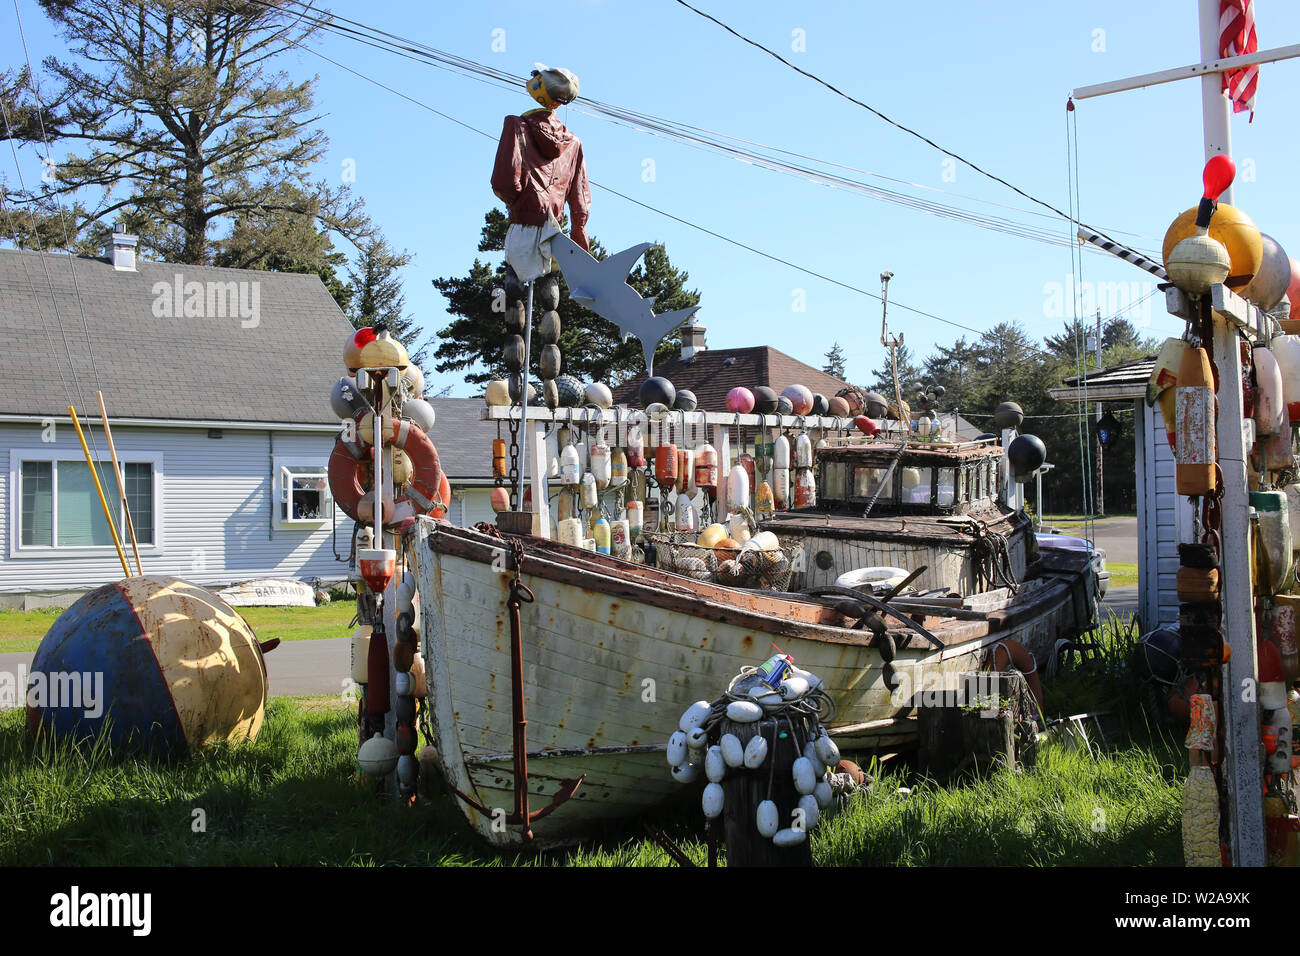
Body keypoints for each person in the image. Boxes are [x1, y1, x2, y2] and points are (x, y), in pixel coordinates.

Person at [491, 65, 590, 283]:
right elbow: (579, 197)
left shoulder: (517, 125)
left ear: (539, 86)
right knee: (549, 284)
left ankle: (516, 307)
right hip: (554, 229)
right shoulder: (573, 143)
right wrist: (579, 238)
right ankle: (548, 305)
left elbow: (503, 181)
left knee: (514, 281)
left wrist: (518, 203)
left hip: (522, 220)